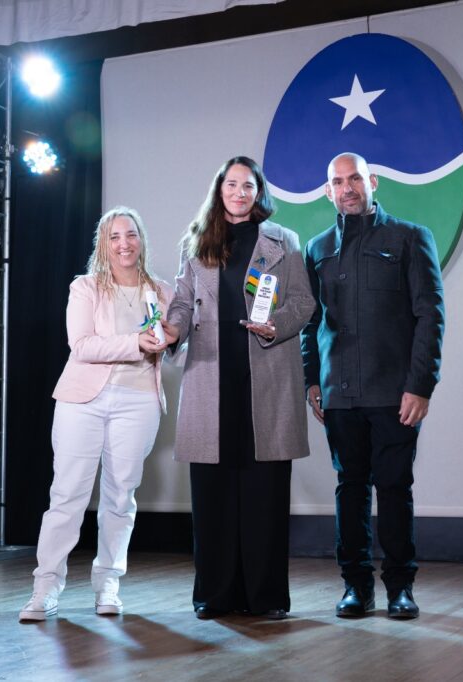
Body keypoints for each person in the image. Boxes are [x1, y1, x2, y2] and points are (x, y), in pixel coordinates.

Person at [161, 155, 314, 620]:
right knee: (213, 496)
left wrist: (276, 326)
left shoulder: (283, 240)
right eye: (231, 184)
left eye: (248, 185)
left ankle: (266, 598)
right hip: (210, 378)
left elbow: (303, 302)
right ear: (219, 189)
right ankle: (215, 596)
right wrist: (172, 330)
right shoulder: (196, 241)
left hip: (266, 377)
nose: (239, 192)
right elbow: (182, 303)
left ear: (259, 192)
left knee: (265, 496)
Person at [301, 152, 445, 620]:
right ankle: (356, 587)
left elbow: (430, 316)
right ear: (328, 191)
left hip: (393, 393)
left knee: (394, 488)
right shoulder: (317, 248)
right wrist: (311, 378)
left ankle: (401, 587)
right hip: (339, 393)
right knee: (350, 489)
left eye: (355, 179)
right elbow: (310, 322)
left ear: (373, 182)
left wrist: (420, 384)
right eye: (338, 182)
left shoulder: (409, 238)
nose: (348, 188)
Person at [19, 206, 172, 622]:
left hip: (139, 401)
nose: (124, 244)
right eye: (114, 236)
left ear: (141, 239)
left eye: (131, 234)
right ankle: (45, 588)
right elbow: (82, 346)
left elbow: (173, 348)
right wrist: (136, 342)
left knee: (121, 497)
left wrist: (176, 340)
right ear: (102, 245)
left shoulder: (162, 290)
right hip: (82, 400)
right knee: (67, 495)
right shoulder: (85, 287)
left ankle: (108, 584)